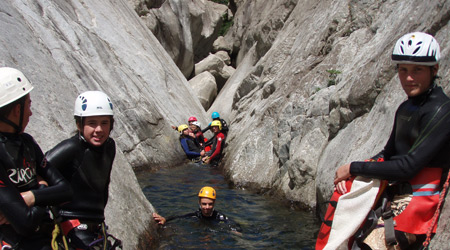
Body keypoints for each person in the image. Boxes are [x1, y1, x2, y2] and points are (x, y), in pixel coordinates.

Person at [330, 32, 450, 249]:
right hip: (396, 192)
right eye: (403, 70)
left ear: (435, 70)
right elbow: (388, 154)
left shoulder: (441, 110)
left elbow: (408, 167)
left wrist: (354, 167)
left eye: (417, 70)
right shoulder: (406, 107)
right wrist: (353, 174)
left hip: (419, 201)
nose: (409, 78)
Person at [0, 67, 72, 249]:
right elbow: (25, 223)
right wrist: (43, 188)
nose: (31, 113)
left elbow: (66, 190)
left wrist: (31, 197)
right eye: (29, 105)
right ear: (17, 109)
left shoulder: (27, 143)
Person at [45, 91, 122, 249]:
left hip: (96, 223)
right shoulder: (72, 148)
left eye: (104, 123)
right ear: (79, 125)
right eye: (92, 123)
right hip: (73, 224)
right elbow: (38, 168)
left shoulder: (109, 147)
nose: (99, 129)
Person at [153, 186, 241, 233]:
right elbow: (178, 217)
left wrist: (236, 231)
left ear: (214, 203)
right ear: (199, 202)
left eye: (210, 204)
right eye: (204, 204)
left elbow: (234, 224)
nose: (207, 207)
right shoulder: (195, 215)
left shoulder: (220, 216)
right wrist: (165, 219)